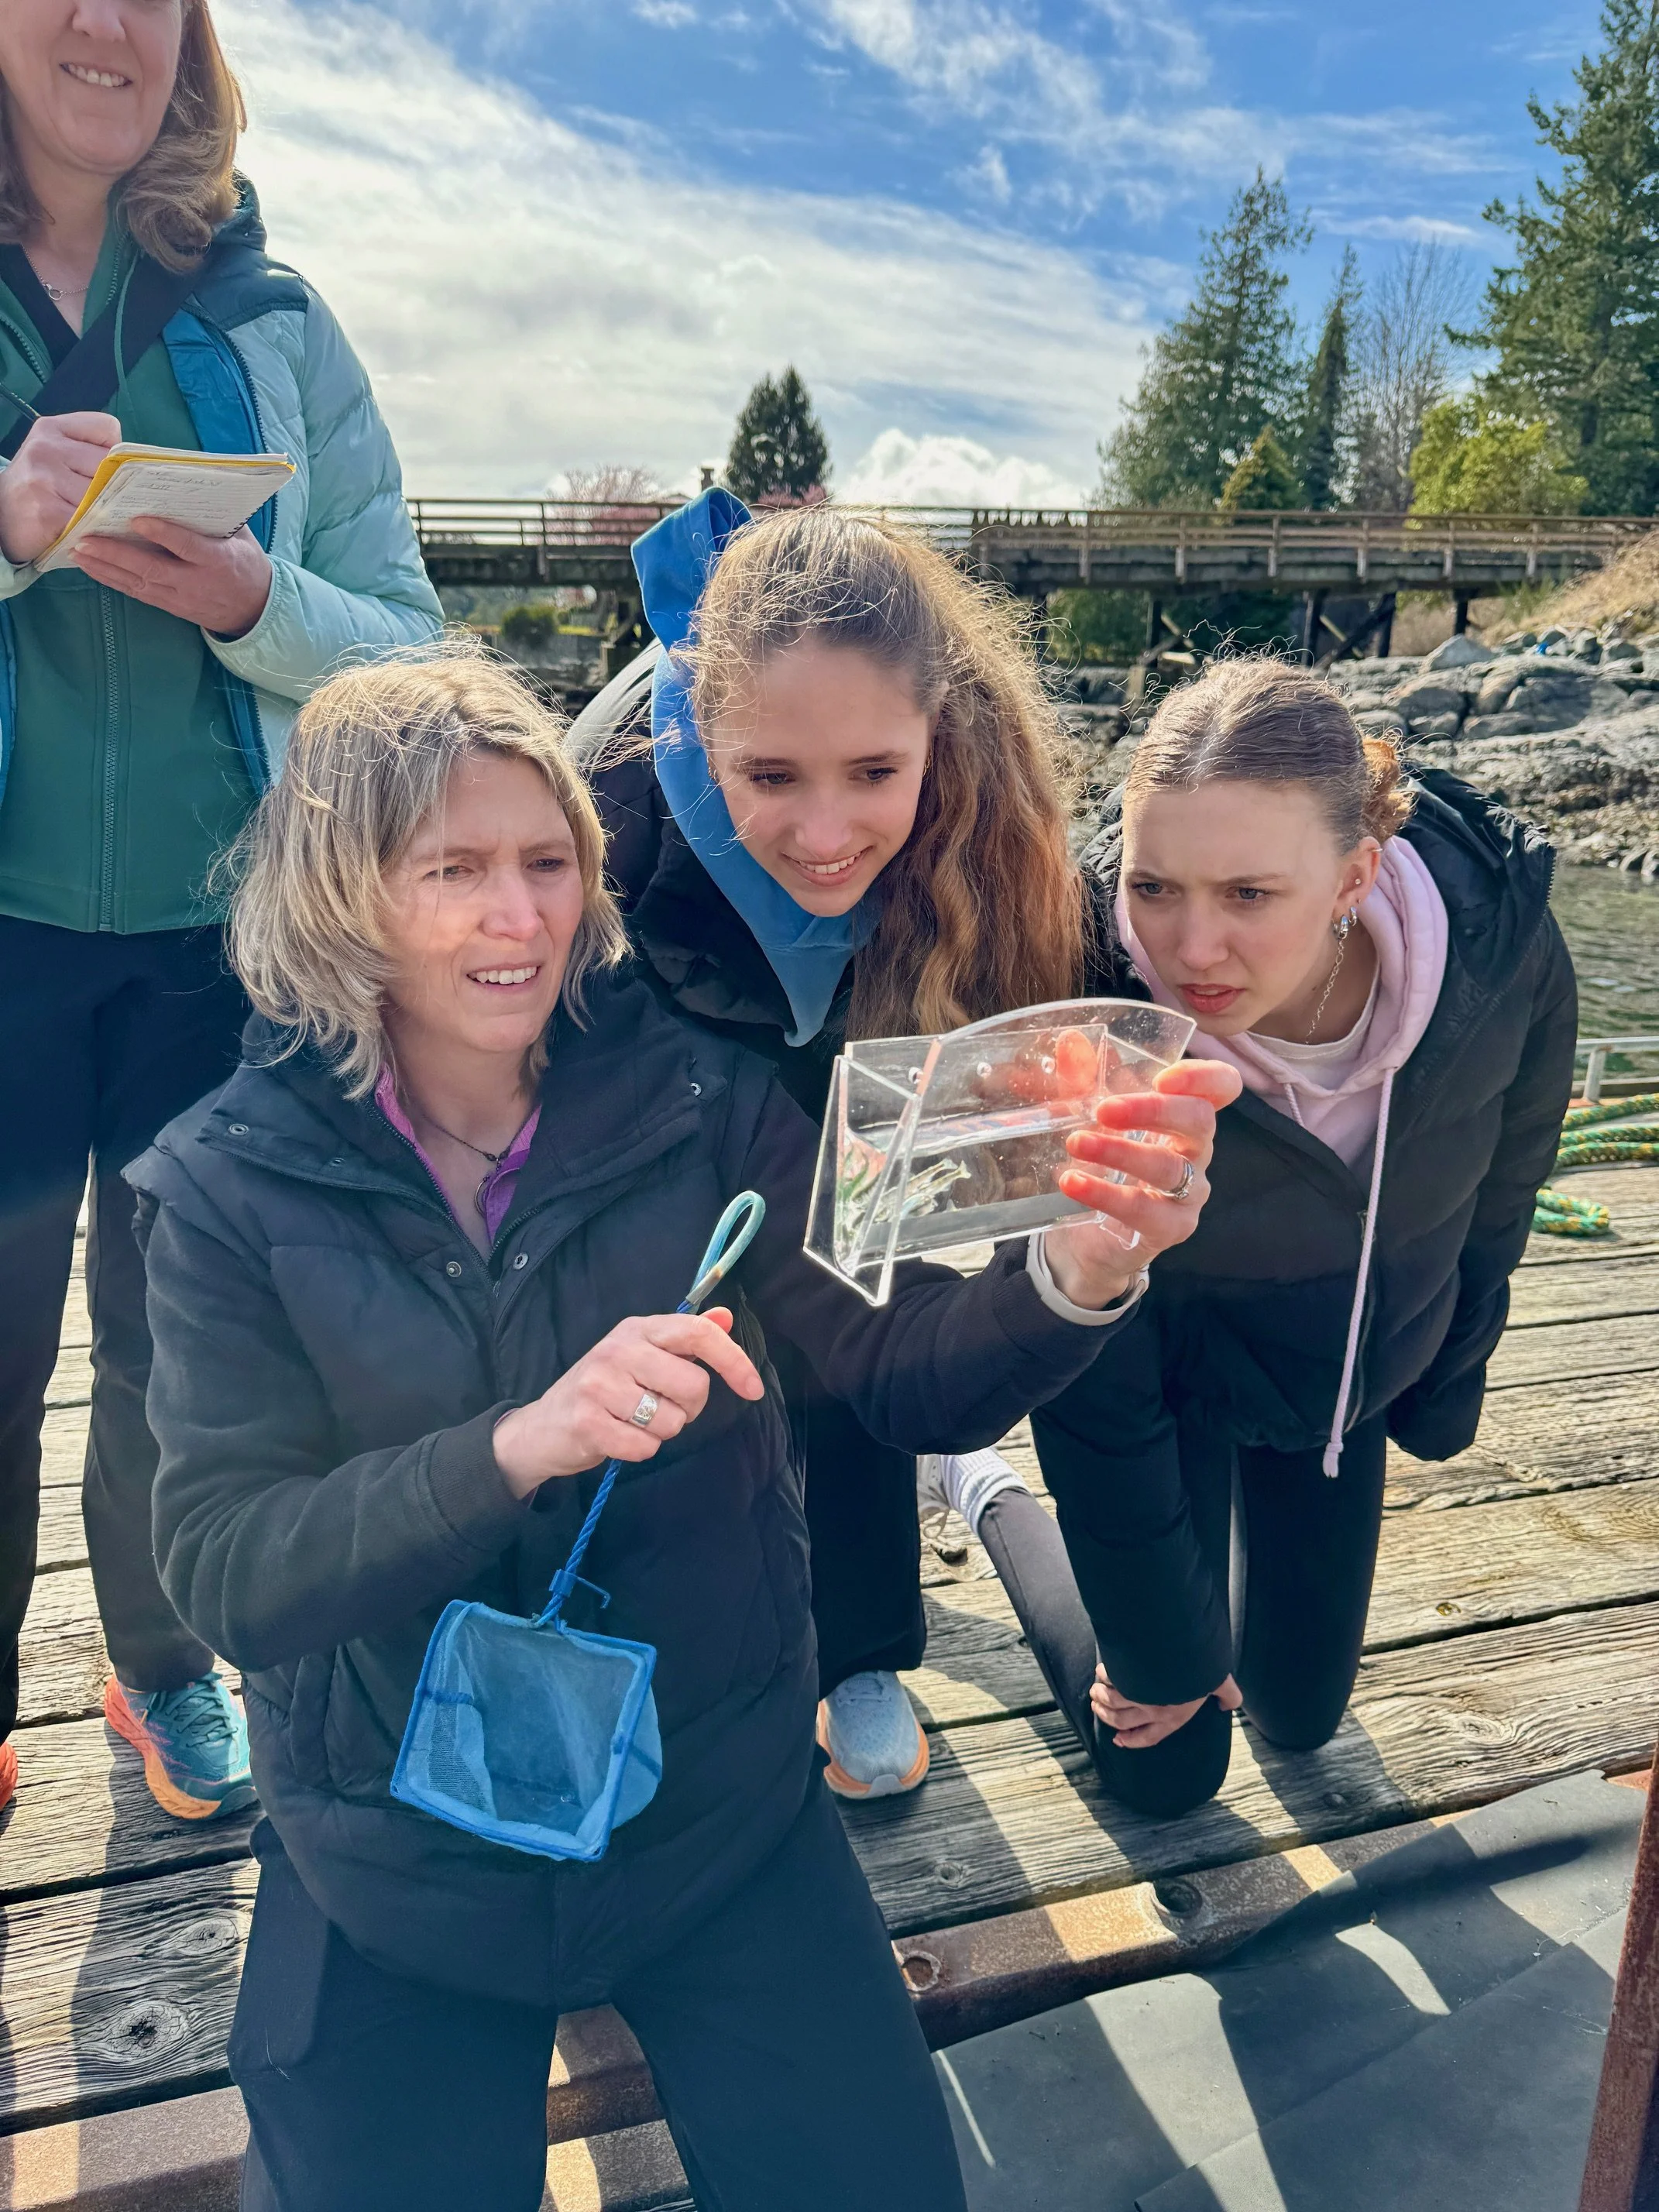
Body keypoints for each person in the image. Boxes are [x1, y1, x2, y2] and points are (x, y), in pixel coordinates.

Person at [126, 650, 1221, 2212]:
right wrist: (516, 1443)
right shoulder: (221, 1188)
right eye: (455, 870)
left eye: (549, 861)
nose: (522, 918)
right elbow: (232, 1574)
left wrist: (1075, 1274)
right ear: (339, 895)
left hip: (718, 1813)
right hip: (394, 1856)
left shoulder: (704, 1102)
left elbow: (898, 1376)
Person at [568, 488, 1235, 1798]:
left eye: (874, 773)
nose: (824, 835)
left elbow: (1094, 1217)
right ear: (703, 733)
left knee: (859, 1303)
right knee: (695, 1318)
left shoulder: (1000, 853)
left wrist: (1165, 1625)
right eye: (770, 775)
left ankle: (863, 1643)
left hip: (872, 1039)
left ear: (940, 734)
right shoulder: (607, 823)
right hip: (678, 1031)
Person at [0, 0, 441, 1822]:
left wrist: (258, 594)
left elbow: (410, 636)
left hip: (220, 950)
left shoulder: (281, 319)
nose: (103, 19)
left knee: (180, 1345)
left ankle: (160, 1664)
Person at [981, 656, 1575, 1818]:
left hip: (1338, 1394)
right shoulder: (1085, 994)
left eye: (1248, 895)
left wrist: (1443, 1380)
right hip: (1167, 1391)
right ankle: (983, 1495)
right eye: (1157, 887)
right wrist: (1162, 1643)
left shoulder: (1500, 946)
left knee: (1299, 1726)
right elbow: (1090, 1369)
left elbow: (1508, 1181)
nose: (1191, 949)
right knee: (1165, 1767)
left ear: (1356, 871)